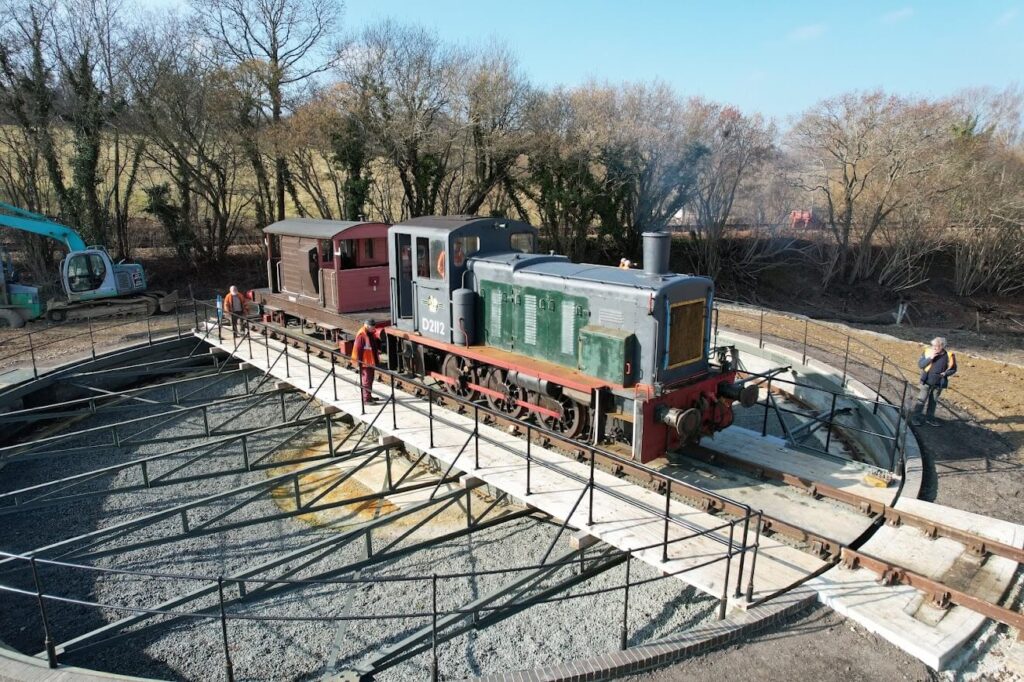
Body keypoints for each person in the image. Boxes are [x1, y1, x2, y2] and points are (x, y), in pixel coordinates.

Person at [912, 336, 957, 426]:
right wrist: (930, 358)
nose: (935, 348)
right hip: (926, 381)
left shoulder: (949, 356)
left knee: (933, 402)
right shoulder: (928, 352)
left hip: (939, 383)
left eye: (937, 346)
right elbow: (921, 365)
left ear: (942, 346)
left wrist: (945, 374)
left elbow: (953, 369)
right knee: (921, 400)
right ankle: (915, 418)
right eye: (933, 346)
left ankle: (930, 418)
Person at [352, 319, 381, 403]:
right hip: (365, 362)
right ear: (368, 326)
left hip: (369, 361)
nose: (374, 329)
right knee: (367, 380)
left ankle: (369, 396)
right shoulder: (362, 335)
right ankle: (366, 399)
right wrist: (358, 363)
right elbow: (358, 349)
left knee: (370, 379)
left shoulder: (369, 333)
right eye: (373, 327)